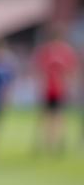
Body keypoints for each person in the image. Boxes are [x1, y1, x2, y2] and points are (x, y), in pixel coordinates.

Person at [32, 25, 78, 153]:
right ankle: (51, 142)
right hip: (54, 89)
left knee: (52, 116)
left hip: (53, 89)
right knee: (53, 116)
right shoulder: (63, 51)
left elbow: (39, 71)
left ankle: (51, 142)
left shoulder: (50, 51)